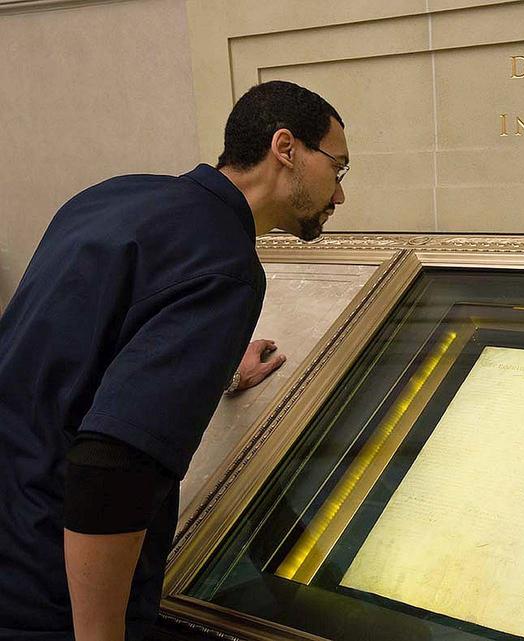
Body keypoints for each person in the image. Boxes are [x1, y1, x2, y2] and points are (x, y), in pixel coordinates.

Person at [0, 80, 348, 641]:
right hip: (47, 588)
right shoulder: (226, 268)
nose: (339, 197)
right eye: (339, 169)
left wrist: (222, 372)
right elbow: (111, 468)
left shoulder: (113, 196)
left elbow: (78, 359)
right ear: (286, 149)